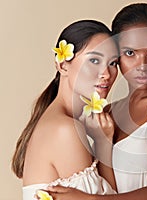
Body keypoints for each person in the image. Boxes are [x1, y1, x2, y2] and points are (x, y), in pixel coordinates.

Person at [47, 3, 147, 200]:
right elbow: (106, 185)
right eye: (130, 53)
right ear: (116, 55)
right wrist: (103, 142)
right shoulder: (108, 110)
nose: (142, 66)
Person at [11, 19, 119, 199]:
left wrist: (102, 142)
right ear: (63, 65)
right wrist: (104, 143)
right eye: (94, 60)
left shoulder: (60, 120)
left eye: (113, 63)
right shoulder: (65, 130)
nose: (106, 74)